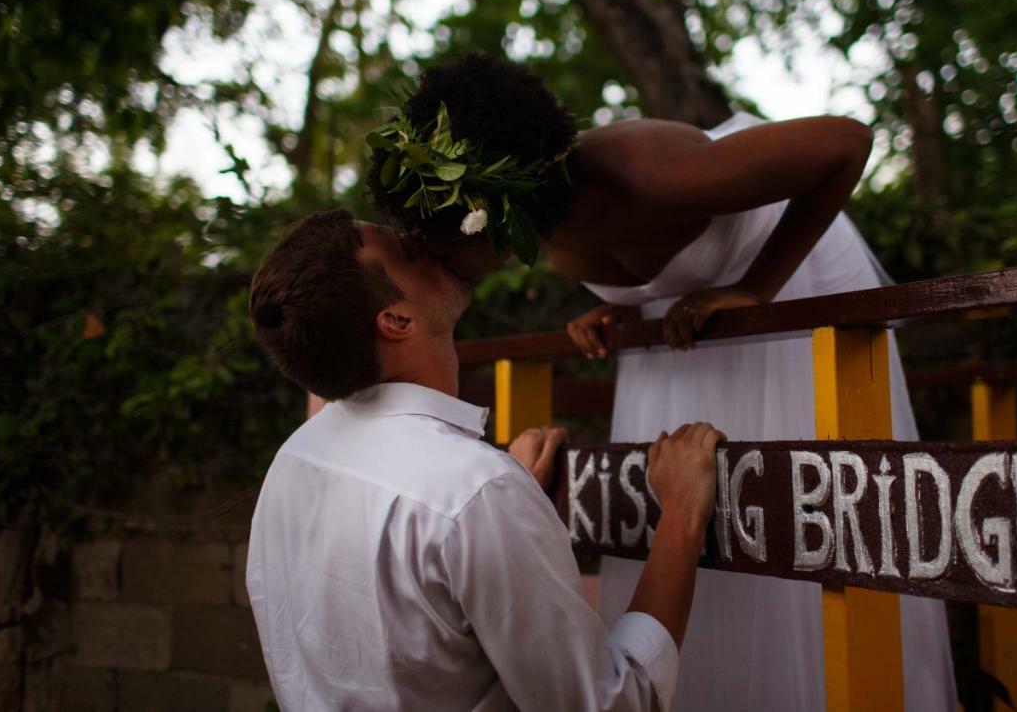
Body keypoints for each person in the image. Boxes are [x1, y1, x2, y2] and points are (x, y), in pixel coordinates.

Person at [364, 53, 958, 711]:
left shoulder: (649, 170)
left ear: (497, 206)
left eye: (446, 241)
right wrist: (630, 306)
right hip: (679, 336)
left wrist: (755, 287)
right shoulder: (536, 219)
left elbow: (847, 141)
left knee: (794, 523)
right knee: (693, 508)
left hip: (790, 289)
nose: (441, 257)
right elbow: (655, 270)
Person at [246, 207, 725, 711]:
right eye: (410, 251)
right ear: (396, 320)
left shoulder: (294, 461)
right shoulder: (476, 492)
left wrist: (506, 509)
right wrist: (681, 517)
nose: (430, 244)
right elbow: (609, 704)